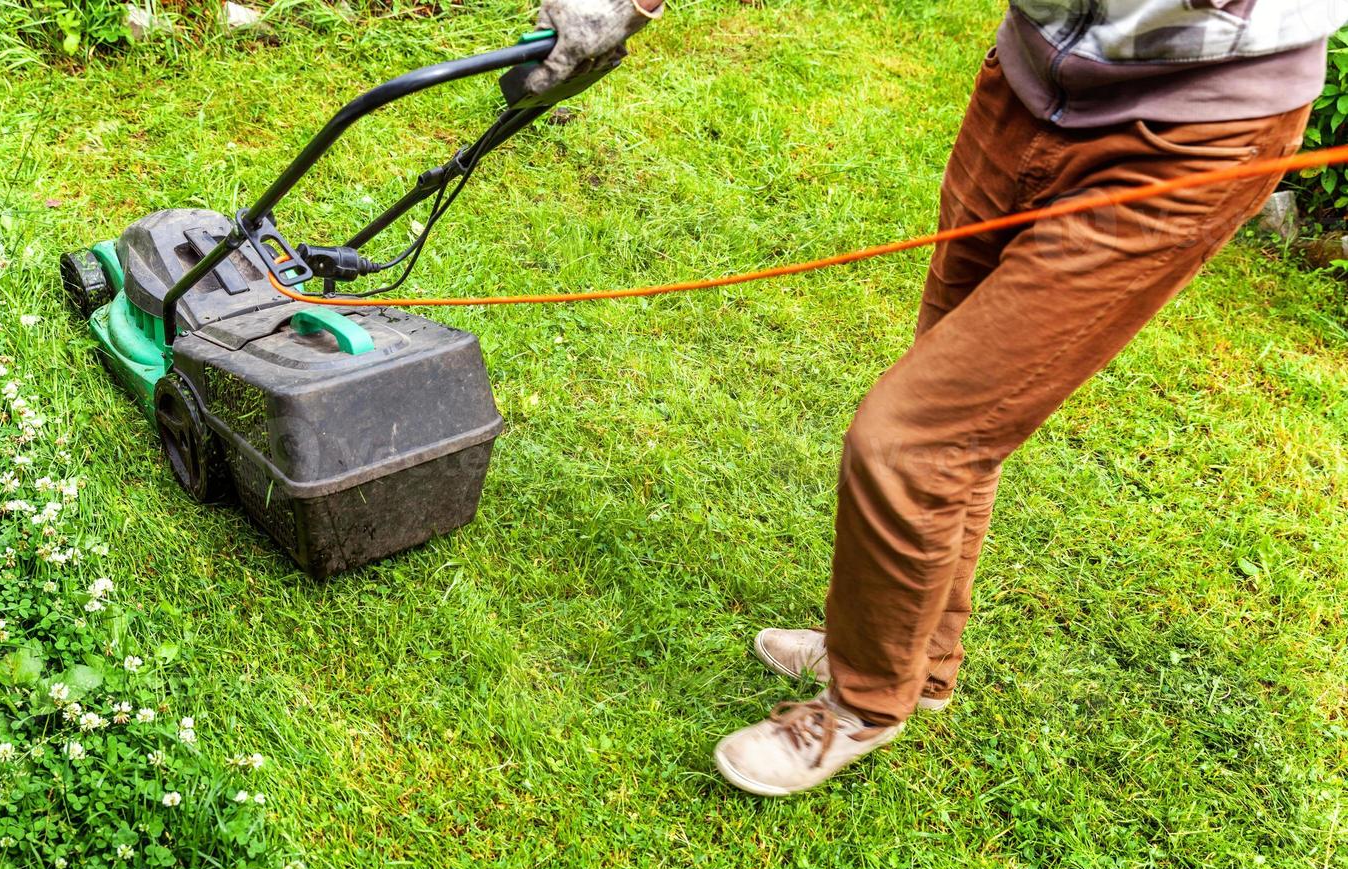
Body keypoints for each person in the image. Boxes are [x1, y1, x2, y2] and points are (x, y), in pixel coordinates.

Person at [530, 1, 1348, 797]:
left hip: (1193, 138)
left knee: (913, 441)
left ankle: (866, 702)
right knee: (957, 409)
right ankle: (918, 662)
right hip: (1025, 85)